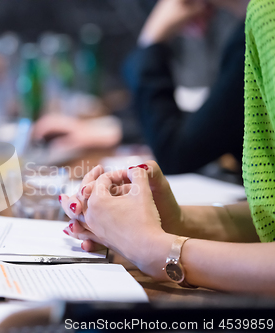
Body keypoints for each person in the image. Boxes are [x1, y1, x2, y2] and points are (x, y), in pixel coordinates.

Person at [58, 0, 275, 295]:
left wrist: (158, 251)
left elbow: (179, 148)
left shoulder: (268, 16)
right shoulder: (257, 20)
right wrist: (176, 221)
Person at [124, 0, 248, 174]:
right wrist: (120, 132)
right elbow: (216, 123)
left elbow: (175, 154)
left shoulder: (260, 34)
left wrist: (152, 39)